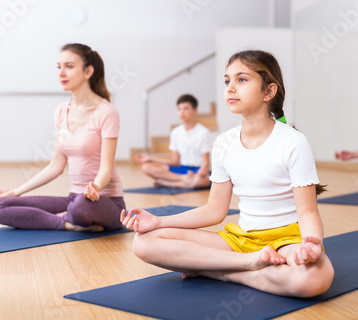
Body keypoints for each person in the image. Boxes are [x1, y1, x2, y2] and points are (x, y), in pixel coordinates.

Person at [121, 50, 334, 298]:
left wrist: (312, 243)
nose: (230, 88)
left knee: (315, 278)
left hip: (286, 240)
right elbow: (214, 210)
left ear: (269, 92)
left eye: (241, 80)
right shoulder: (223, 143)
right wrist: (158, 222)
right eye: (227, 81)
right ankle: (248, 264)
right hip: (240, 240)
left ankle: (218, 271)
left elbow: (307, 211)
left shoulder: (293, 142)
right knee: (144, 241)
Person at [0, 43, 125, 231]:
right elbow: (55, 166)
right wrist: (15, 192)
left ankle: (68, 217)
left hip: (105, 201)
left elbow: (106, 167)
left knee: (80, 205)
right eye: (59, 67)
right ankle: (67, 224)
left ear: (88, 71)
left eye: (69, 66)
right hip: (74, 198)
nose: (61, 73)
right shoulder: (61, 111)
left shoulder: (106, 112)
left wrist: (96, 188)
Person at [134, 94, 212, 189]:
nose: (182, 112)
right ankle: (184, 180)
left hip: (196, 170)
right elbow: (175, 161)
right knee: (146, 167)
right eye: (179, 109)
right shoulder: (175, 132)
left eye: (186, 108)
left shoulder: (203, 132)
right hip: (181, 169)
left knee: (201, 180)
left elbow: (205, 163)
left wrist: (202, 172)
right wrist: (150, 159)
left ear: (195, 111)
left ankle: (168, 183)